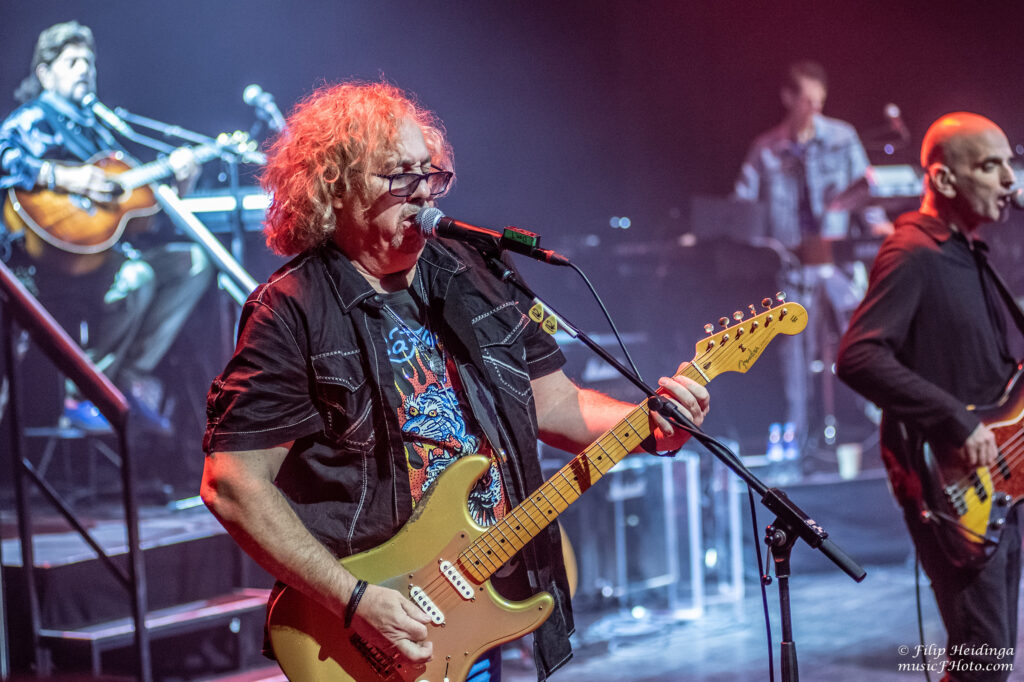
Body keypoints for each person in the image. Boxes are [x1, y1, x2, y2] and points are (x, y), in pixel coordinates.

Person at [200, 81, 710, 681]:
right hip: (372, 622)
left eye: (429, 174)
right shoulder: (292, 310)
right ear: (334, 188)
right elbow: (233, 484)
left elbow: (555, 406)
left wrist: (650, 426)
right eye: (399, 176)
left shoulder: (475, 275)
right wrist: (356, 599)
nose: (422, 192)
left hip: (476, 602)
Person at [837, 112, 1020, 681]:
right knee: (982, 660)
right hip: (954, 479)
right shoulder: (912, 252)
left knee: (988, 660)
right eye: (990, 166)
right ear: (943, 179)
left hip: (1001, 476)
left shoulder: (969, 253)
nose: (1009, 180)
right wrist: (956, 422)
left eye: (1010, 164)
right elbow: (858, 356)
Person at [0, 21, 212, 432]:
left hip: (101, 255)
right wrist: (65, 178)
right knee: (137, 277)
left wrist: (180, 182)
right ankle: (83, 391)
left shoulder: (98, 129)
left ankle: (126, 378)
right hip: (45, 265)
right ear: (45, 73)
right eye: (72, 62)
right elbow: (3, 156)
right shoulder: (33, 119)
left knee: (194, 263)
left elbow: (138, 215)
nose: (84, 69)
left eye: (89, 62)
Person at [734, 60, 892, 457]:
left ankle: (882, 425)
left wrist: (880, 227)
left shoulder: (842, 137)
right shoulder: (766, 149)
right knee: (794, 351)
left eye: (819, 101)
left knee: (862, 332)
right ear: (788, 98)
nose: (814, 109)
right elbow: (742, 206)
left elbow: (866, 190)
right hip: (792, 264)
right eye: (807, 100)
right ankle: (800, 437)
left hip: (836, 259)